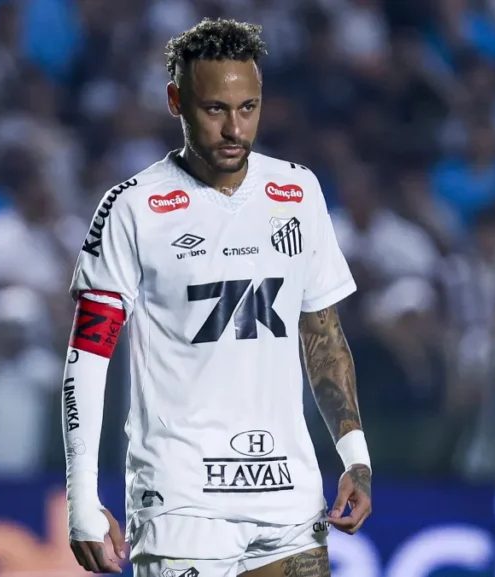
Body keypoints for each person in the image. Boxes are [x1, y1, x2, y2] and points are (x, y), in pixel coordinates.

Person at [62, 19, 372, 577]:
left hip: (288, 495)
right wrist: (81, 493)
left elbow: (322, 334)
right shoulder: (131, 208)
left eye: (248, 107)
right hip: (182, 502)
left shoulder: (298, 192)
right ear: (176, 101)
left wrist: (356, 458)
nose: (235, 128)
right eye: (215, 110)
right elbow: (87, 358)